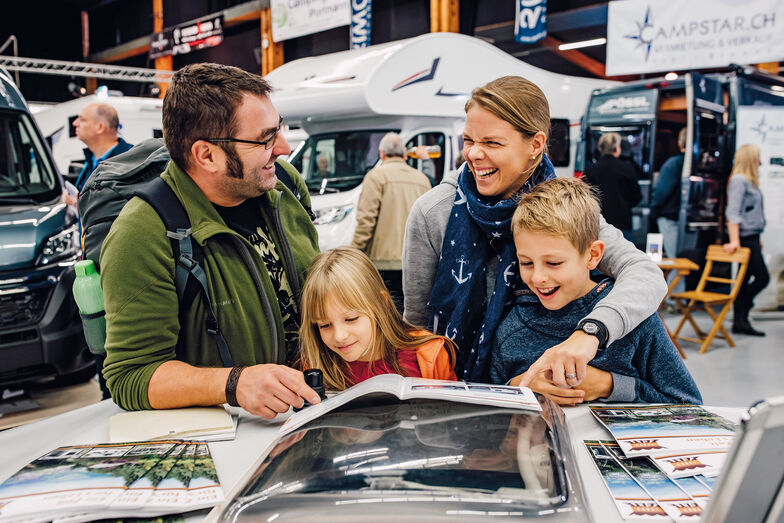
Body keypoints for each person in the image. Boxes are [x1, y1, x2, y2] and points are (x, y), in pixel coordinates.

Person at [402, 75, 667, 387]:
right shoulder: (434, 213)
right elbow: (417, 327)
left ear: (535, 144)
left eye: (492, 142)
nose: (473, 154)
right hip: (458, 389)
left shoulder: (561, 208)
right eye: (469, 141)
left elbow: (643, 273)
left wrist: (590, 332)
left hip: (545, 388)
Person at [100, 63, 322, 418]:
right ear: (206, 155)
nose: (283, 147)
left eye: (278, 128)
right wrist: (235, 384)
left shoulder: (284, 187)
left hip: (311, 414)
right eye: (265, 138)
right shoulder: (144, 233)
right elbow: (131, 376)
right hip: (236, 438)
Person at [489, 178, 701, 405]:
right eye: (527, 263)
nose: (538, 277)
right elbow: (489, 401)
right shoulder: (511, 331)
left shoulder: (637, 324)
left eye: (553, 263)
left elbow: (689, 406)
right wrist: (519, 386)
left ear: (592, 255)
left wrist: (608, 385)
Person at [298, 247, 456, 391]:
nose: (340, 336)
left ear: (381, 303)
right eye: (324, 325)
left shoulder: (429, 354)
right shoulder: (313, 368)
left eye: (351, 319)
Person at [351, 133, 431, 311]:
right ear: (404, 154)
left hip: (382, 265)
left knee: (386, 316)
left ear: (381, 154)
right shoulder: (422, 180)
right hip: (415, 264)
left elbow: (366, 222)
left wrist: (353, 254)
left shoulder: (375, 177)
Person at [724, 144, 770, 337]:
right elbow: (732, 213)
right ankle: (742, 308)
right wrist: (735, 240)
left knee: (743, 281)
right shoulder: (739, 181)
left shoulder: (749, 182)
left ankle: (740, 321)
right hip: (744, 239)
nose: (760, 162)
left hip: (752, 237)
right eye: (758, 157)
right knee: (762, 277)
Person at [583, 132, 642, 242]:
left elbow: (585, 198)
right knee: (624, 256)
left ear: (601, 148)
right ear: (617, 148)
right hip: (623, 223)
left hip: (598, 224)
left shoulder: (591, 170)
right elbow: (637, 197)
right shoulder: (627, 168)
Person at [71, 103, 133, 194]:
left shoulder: (129, 162)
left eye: (82, 120)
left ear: (100, 127)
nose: (75, 123)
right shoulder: (92, 160)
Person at [651, 127, 687, 259]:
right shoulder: (696, 165)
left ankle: (675, 281)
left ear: (679, 143)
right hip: (686, 220)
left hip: (669, 218)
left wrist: (654, 210)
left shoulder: (673, 164)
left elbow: (662, 191)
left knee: (673, 260)